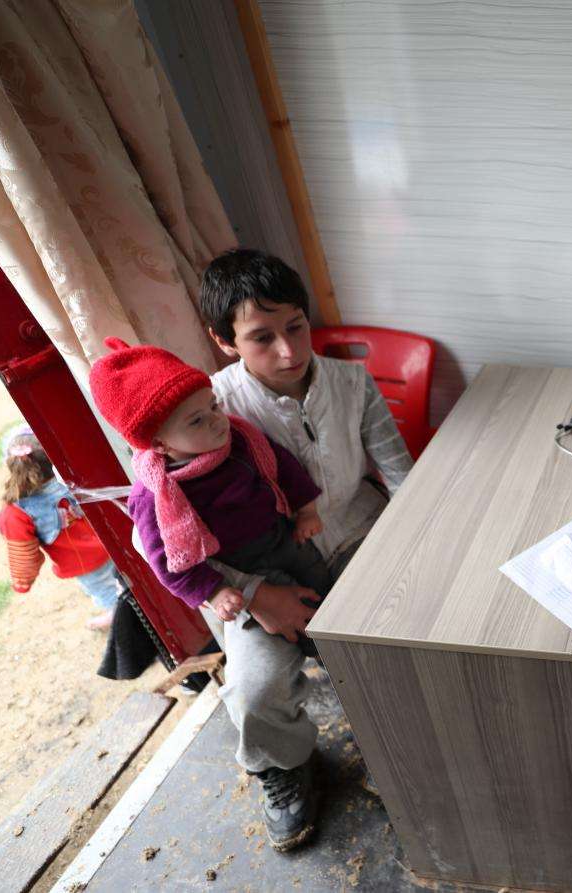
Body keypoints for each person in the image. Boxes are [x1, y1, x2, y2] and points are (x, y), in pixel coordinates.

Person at [192, 248, 414, 851]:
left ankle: (412, 749)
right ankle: (284, 769)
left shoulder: (349, 380)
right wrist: (258, 595)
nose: (289, 352)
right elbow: (165, 535)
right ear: (224, 341)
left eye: (295, 326)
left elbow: (398, 471)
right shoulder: (205, 411)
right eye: (262, 338)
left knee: (407, 639)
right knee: (255, 691)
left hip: (356, 534)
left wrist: (418, 541)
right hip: (258, 574)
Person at [88, 338, 331, 650]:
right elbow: (166, 562)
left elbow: (283, 466)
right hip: (241, 568)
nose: (217, 420)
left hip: (284, 536)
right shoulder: (156, 494)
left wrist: (306, 511)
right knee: (304, 622)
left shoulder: (241, 439)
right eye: (197, 420)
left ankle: (346, 629)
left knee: (322, 583)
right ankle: (332, 659)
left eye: (213, 406)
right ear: (159, 444)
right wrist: (214, 592)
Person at [0, 428, 122, 630]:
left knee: (107, 592)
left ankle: (122, 622)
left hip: (83, 563)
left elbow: (23, 553)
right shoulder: (72, 476)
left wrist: (23, 581)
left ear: (12, 466)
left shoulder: (15, 512)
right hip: (112, 542)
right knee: (125, 578)